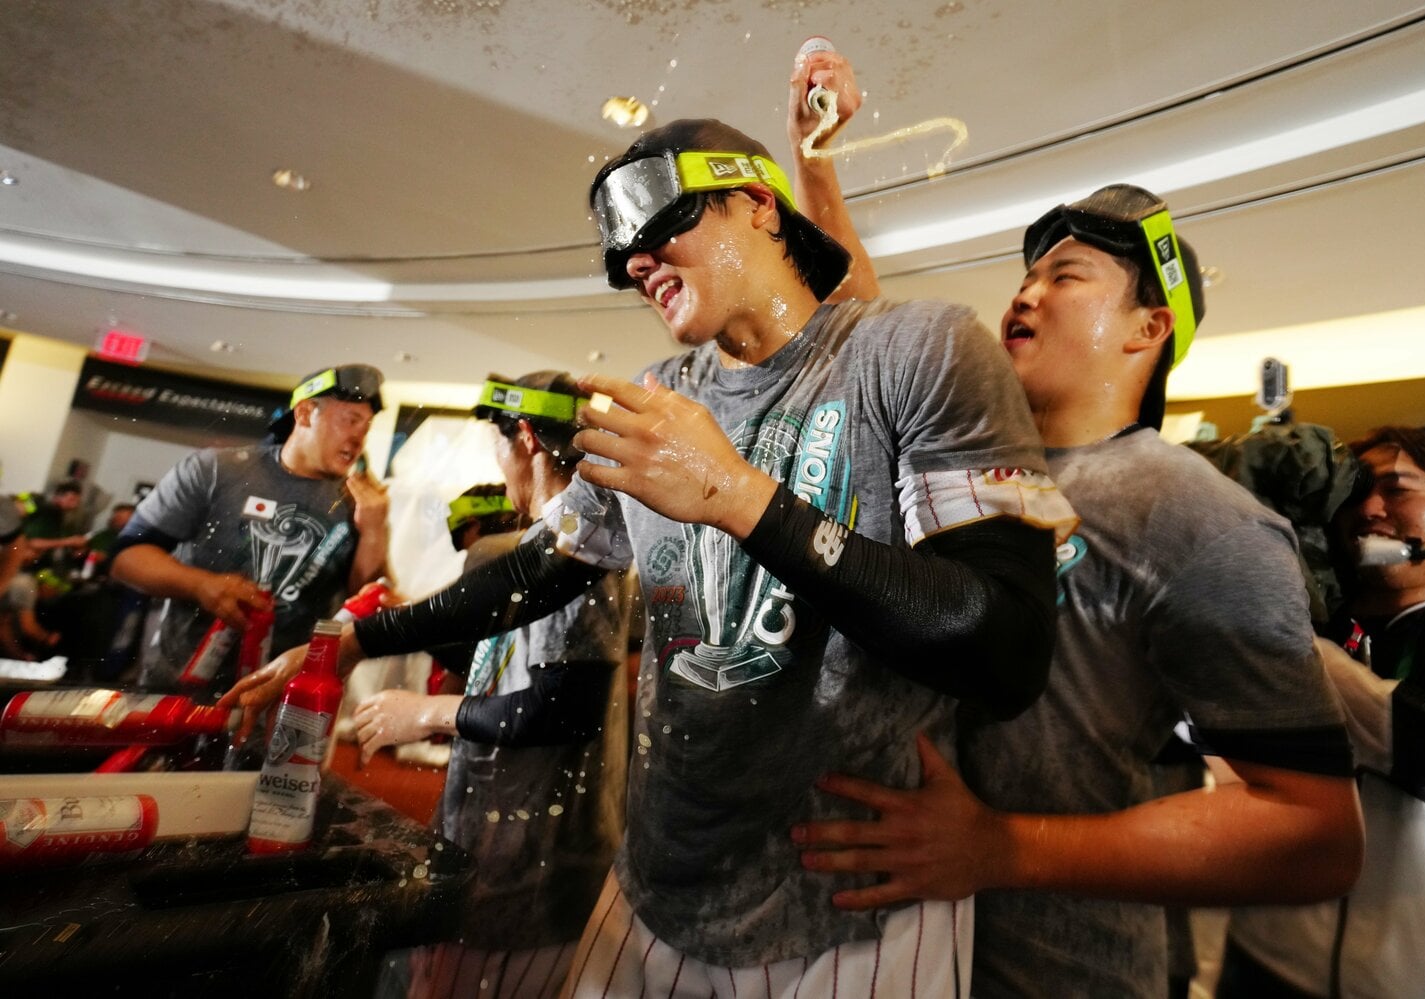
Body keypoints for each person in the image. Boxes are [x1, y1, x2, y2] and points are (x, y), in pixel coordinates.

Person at [226, 117, 1074, 996]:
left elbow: (1004, 644)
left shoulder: (917, 348)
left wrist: (740, 496)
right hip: (657, 883)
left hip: (849, 903)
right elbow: (540, 569)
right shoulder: (661, 396)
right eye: (620, 256)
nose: (634, 263)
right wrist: (354, 641)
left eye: (657, 225)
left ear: (757, 204)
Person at [785, 49, 1363, 997]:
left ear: (1147, 329)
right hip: (882, 955)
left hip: (1060, 969)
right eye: (1026, 275)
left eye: (1068, 276)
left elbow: (1312, 833)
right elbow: (865, 321)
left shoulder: (1196, 514)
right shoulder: (966, 463)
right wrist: (817, 161)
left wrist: (1002, 847)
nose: (1024, 292)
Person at [357, 374, 632, 999]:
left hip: (529, 877)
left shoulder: (573, 550)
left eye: (497, 445)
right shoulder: (549, 542)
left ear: (526, 438)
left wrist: (425, 712)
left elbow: (563, 709)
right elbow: (506, 663)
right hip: (506, 857)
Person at [1220, 425, 1425, 997]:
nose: (1368, 507)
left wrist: (1267, 628)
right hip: (1268, 962)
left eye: (1397, 489)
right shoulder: (1315, 620)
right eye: (1355, 491)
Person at [112, 363, 390, 693]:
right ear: (304, 414)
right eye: (350, 420)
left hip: (283, 695)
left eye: (367, 426)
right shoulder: (216, 470)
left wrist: (374, 531)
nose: (359, 437)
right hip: (178, 685)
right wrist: (200, 585)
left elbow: (363, 601)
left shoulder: (357, 497)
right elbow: (125, 558)